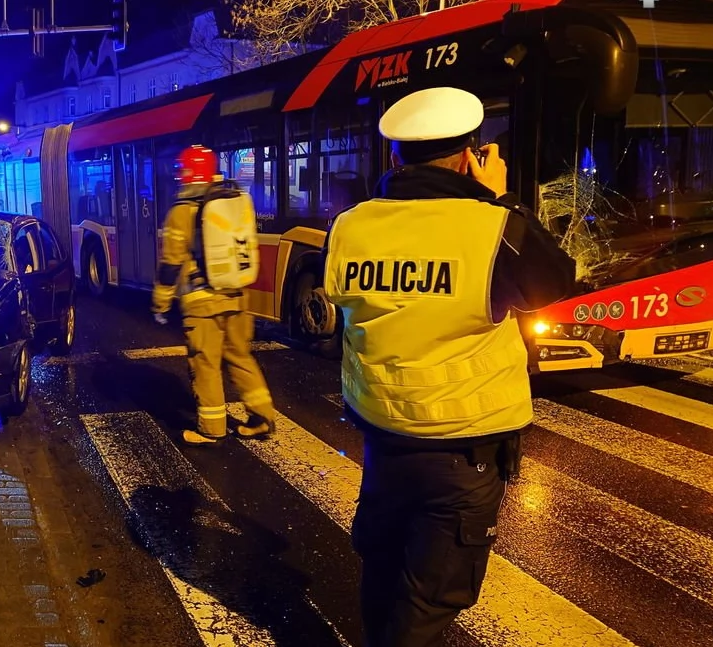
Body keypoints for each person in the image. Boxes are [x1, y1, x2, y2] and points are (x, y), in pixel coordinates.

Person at [321, 87, 576, 646]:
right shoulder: (492, 227)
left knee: (383, 574)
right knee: (429, 601)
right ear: (471, 154)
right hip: (464, 450)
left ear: (394, 157)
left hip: (384, 442)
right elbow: (556, 279)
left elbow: (342, 300)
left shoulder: (350, 226)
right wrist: (502, 199)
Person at [151, 144, 278, 445]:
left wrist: (161, 302)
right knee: (239, 356)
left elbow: (171, 261)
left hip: (202, 302)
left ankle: (211, 429)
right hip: (235, 295)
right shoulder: (232, 200)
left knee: (205, 362)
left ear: (188, 174)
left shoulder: (182, 211)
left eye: (182, 171)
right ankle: (262, 417)